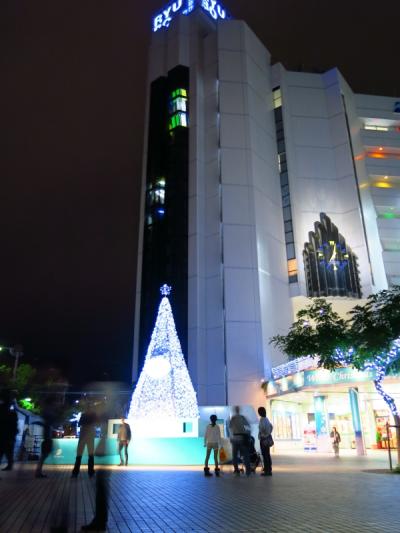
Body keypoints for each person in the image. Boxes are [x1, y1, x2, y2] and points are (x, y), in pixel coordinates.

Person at [72, 404, 97, 478]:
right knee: (91, 455)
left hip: (83, 435)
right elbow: (97, 424)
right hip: (90, 436)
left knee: (79, 455)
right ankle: (91, 472)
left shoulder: (83, 415)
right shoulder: (94, 415)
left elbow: (79, 424)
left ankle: (75, 473)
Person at [229, 406, 251, 476]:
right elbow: (248, 427)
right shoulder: (242, 417)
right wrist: (248, 434)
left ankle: (236, 470)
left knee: (234, 456)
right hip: (242, 438)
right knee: (245, 455)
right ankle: (248, 471)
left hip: (235, 438)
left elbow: (230, 428)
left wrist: (231, 437)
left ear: (235, 410)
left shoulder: (232, 418)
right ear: (239, 410)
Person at [0, 392, 18, 471]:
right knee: (8, 451)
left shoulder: (5, 409)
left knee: (6, 451)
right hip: (7, 435)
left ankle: (10, 465)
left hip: (5, 435)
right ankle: (10, 465)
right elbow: (14, 424)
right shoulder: (11, 411)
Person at [258, 406, 273, 476]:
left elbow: (262, 429)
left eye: (259, 412)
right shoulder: (266, 419)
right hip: (267, 439)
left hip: (263, 439)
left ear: (260, 413)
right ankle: (269, 469)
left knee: (265, 455)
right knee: (267, 454)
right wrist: (268, 433)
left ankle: (267, 471)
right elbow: (271, 427)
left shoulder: (262, 420)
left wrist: (263, 434)